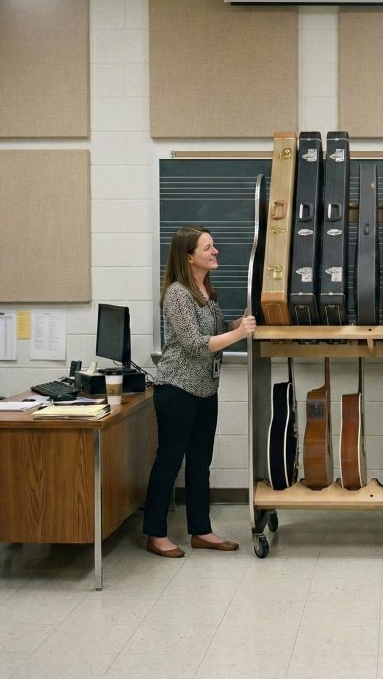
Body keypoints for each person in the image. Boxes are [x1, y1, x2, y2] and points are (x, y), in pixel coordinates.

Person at [143, 225, 257, 558]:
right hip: (177, 391)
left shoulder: (205, 291)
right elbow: (195, 345)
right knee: (169, 462)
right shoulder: (178, 293)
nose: (215, 251)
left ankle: (201, 531)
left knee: (199, 463)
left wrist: (239, 324)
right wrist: (239, 336)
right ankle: (155, 534)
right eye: (208, 248)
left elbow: (217, 331)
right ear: (189, 256)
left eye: (213, 246)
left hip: (206, 391)